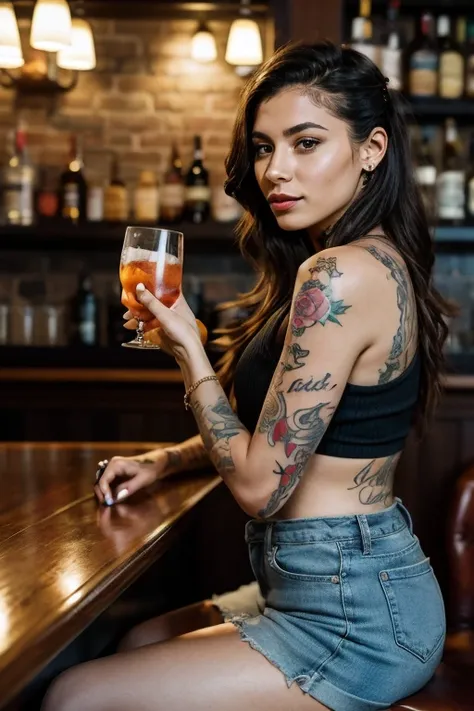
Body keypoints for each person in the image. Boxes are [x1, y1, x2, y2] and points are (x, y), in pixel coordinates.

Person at [42, 40, 452, 711]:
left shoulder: (340, 273)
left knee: (74, 694)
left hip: (356, 617)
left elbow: (262, 484)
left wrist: (188, 350)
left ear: (372, 149)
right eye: (263, 148)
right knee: (139, 634)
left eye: (305, 142)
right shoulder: (359, 261)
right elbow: (286, 435)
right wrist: (166, 460)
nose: (275, 171)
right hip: (333, 586)